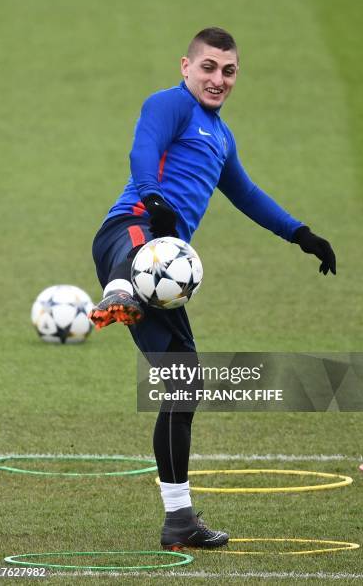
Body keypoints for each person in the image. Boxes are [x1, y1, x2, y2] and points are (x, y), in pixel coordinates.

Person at [89, 27, 336, 550]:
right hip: (131, 228)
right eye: (208, 67)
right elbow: (143, 149)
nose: (217, 79)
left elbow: (246, 193)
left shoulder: (221, 138)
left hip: (165, 267)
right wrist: (154, 197)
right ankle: (119, 292)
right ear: (186, 66)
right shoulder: (168, 104)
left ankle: (179, 521)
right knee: (149, 249)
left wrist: (300, 233)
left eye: (228, 71)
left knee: (185, 383)